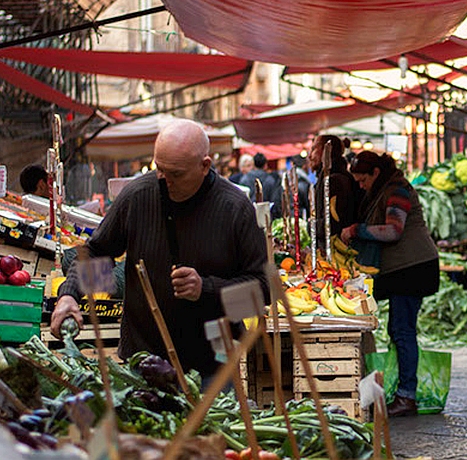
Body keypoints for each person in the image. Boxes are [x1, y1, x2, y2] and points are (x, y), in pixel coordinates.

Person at [51, 119, 268, 380]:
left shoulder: (236, 209)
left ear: (205, 166)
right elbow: (99, 254)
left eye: (175, 173)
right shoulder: (138, 196)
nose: (164, 180)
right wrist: (70, 294)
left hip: (212, 368)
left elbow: (263, 291)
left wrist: (205, 289)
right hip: (143, 360)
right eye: (159, 169)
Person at [341, 151, 439, 417]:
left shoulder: (397, 190)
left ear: (375, 173)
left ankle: (407, 396)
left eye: (363, 180)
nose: (361, 185)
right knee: (399, 330)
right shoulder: (384, 188)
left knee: (403, 330)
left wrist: (356, 230)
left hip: (413, 269)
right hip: (400, 271)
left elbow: (394, 230)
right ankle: (402, 390)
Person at [309, 135, 360, 245]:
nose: (310, 156)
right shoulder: (329, 178)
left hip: (337, 250)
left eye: (313, 149)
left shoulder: (334, 181)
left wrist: (311, 226)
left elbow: (332, 224)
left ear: (326, 151)